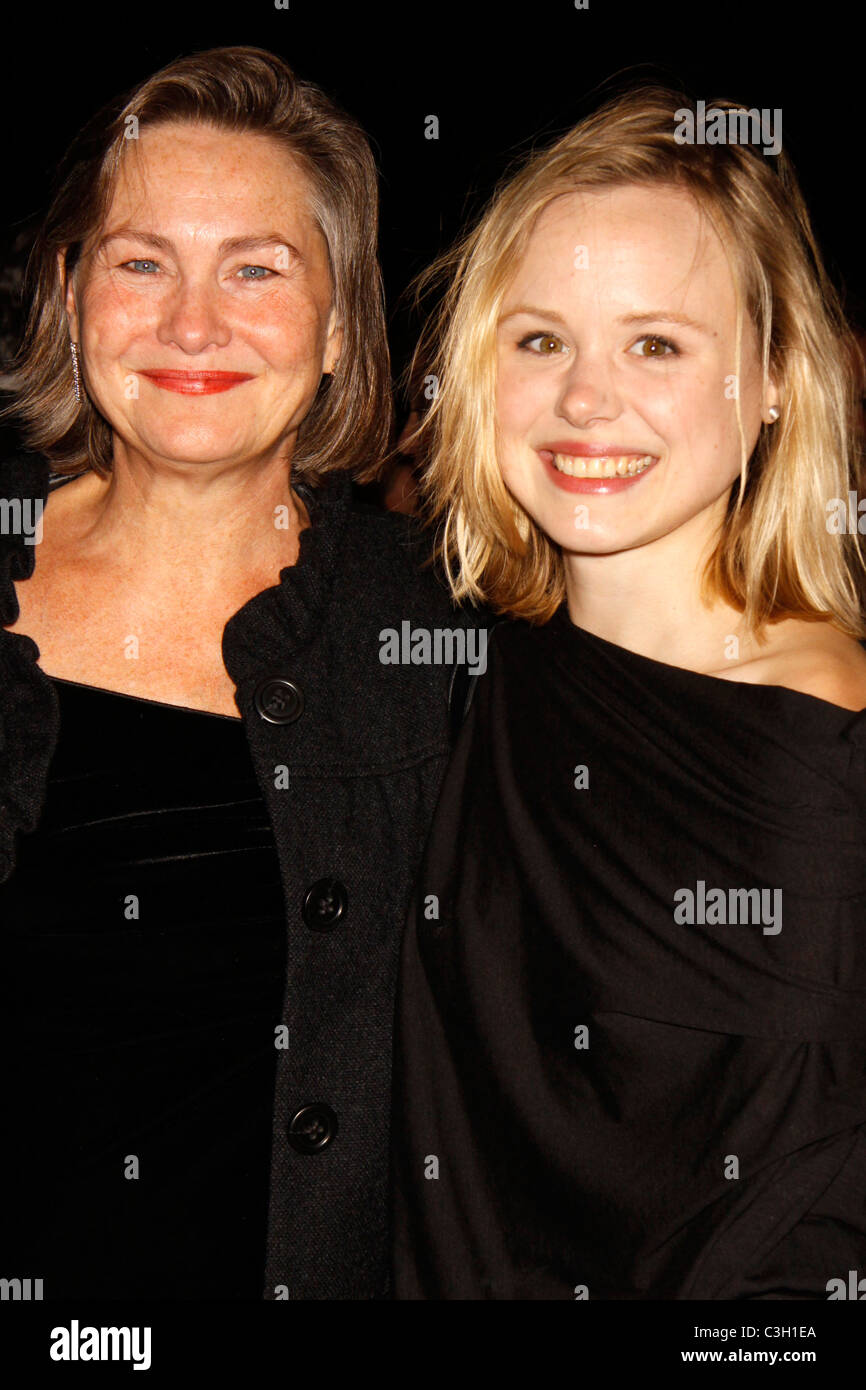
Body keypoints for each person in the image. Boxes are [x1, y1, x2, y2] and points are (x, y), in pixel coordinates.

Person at [0, 45, 471, 1301]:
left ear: (334, 326)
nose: (190, 324)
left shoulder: (446, 633)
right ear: (70, 294)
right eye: (141, 262)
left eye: (255, 269)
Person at [391, 85, 866, 1299]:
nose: (584, 399)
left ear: (768, 379)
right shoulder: (453, 669)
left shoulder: (824, 753)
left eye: (655, 342)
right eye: (539, 338)